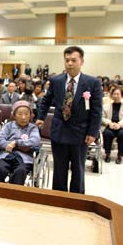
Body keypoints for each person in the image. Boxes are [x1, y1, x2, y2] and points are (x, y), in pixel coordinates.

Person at [36, 46, 102, 194]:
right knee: (59, 168)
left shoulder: (92, 83)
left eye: (74, 60)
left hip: (81, 133)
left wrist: (93, 133)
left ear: (82, 62)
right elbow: (46, 100)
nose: (70, 63)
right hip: (59, 131)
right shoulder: (56, 80)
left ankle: (77, 199)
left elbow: (97, 110)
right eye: (67, 60)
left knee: (78, 169)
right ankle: (59, 198)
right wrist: (41, 117)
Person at [0, 101, 40, 185]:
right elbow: (0, 140)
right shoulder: (8, 126)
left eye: (26, 114)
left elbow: (35, 141)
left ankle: (14, 195)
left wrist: (16, 143)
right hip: (6, 155)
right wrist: (18, 145)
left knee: (20, 171)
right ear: (14, 115)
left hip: (25, 158)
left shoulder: (33, 128)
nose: (23, 117)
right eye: (20, 114)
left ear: (31, 115)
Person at [102, 88, 123, 164]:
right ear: (111, 95)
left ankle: (119, 155)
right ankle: (107, 154)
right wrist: (109, 123)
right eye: (114, 94)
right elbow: (102, 117)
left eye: (118, 94)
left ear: (121, 95)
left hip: (121, 126)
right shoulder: (106, 106)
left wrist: (119, 124)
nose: (116, 96)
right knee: (107, 134)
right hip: (110, 126)